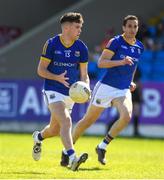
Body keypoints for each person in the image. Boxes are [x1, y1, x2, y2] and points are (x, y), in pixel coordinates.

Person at [62, 15, 144, 166]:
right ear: (124, 28)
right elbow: (101, 63)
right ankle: (68, 150)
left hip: (123, 89)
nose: (132, 29)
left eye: (135, 26)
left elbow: (133, 66)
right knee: (87, 121)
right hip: (106, 87)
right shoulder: (115, 42)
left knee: (126, 116)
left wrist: (131, 80)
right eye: (130, 26)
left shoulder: (139, 46)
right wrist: (121, 61)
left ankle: (102, 146)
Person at [32, 12, 90, 171]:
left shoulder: (81, 47)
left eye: (81, 27)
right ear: (66, 27)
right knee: (66, 121)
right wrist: (56, 77)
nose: (80, 30)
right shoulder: (51, 44)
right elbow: (41, 70)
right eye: (77, 27)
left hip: (71, 94)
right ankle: (72, 158)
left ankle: (38, 137)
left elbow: (84, 75)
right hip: (52, 90)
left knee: (54, 129)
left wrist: (86, 88)